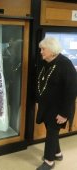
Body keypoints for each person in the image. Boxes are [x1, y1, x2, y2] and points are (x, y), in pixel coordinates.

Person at [36, 37, 77, 170]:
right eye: (40, 49)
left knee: (52, 132)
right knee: (51, 131)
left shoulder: (66, 64)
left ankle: (49, 161)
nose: (40, 51)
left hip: (60, 108)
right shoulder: (45, 62)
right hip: (47, 106)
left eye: (43, 49)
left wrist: (64, 114)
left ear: (52, 50)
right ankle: (58, 153)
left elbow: (72, 91)